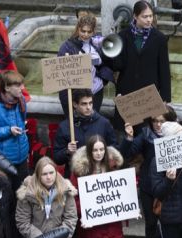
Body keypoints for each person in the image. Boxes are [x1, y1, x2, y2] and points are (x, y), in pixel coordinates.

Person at [121, 108, 178, 238]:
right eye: (155, 121)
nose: (158, 125)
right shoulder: (146, 135)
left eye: (162, 121)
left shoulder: (177, 135)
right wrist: (129, 137)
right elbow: (127, 153)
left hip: (169, 186)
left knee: (170, 223)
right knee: (151, 223)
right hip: (148, 186)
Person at [106, 1, 171, 130]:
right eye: (144, 16)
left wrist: (165, 98)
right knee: (124, 132)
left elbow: (164, 69)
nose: (148, 20)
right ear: (135, 16)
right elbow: (118, 65)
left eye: (150, 16)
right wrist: (110, 50)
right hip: (126, 92)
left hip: (148, 94)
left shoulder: (160, 38)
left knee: (144, 133)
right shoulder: (123, 36)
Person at [70, 136, 125, 238]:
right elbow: (72, 201)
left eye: (101, 149)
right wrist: (86, 210)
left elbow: (122, 196)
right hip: (89, 233)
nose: (99, 153)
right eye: (95, 150)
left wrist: (129, 210)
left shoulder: (114, 169)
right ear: (89, 151)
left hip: (112, 231)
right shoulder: (79, 173)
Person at [15, 156, 78, 238]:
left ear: (56, 173)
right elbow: (22, 222)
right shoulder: (27, 193)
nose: (49, 177)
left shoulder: (66, 190)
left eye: (51, 173)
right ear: (38, 175)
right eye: (44, 174)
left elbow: (71, 218)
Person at [52, 88, 117, 178]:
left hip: (100, 176)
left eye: (90, 103)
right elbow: (57, 158)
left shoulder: (104, 123)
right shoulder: (65, 127)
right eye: (84, 104)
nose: (88, 107)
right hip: (76, 178)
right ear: (75, 104)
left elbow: (114, 148)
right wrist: (67, 152)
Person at [57, 14, 113, 114]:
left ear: (93, 31)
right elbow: (61, 75)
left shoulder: (97, 43)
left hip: (95, 92)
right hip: (77, 95)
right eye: (83, 31)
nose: (86, 34)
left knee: (93, 122)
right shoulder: (66, 47)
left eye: (89, 32)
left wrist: (103, 81)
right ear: (78, 29)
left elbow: (107, 64)